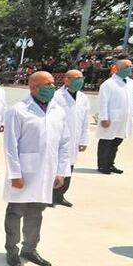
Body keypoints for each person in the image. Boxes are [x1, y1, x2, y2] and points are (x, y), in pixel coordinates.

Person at [2, 72, 72, 266]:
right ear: (33, 87)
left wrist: (60, 171)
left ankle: (30, 249)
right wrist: (15, 175)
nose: (52, 87)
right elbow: (10, 146)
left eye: (52, 83)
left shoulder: (58, 110)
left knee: (36, 212)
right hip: (24, 172)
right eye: (47, 84)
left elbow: (64, 143)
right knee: (15, 212)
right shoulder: (18, 111)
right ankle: (12, 250)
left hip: (46, 172)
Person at [50, 69, 91, 208]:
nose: (79, 81)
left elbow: (85, 121)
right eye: (75, 78)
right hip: (58, 138)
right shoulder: (56, 96)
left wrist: (84, 140)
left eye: (81, 78)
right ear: (66, 80)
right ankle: (48, 196)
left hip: (74, 139)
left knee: (69, 167)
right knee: (55, 167)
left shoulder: (83, 98)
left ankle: (60, 195)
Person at [97, 57, 133, 174]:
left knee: (117, 142)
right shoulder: (108, 84)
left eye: (131, 66)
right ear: (118, 68)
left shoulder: (131, 83)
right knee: (106, 141)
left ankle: (110, 164)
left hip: (125, 118)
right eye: (127, 67)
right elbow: (102, 102)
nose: (130, 69)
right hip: (112, 118)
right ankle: (102, 165)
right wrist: (104, 118)